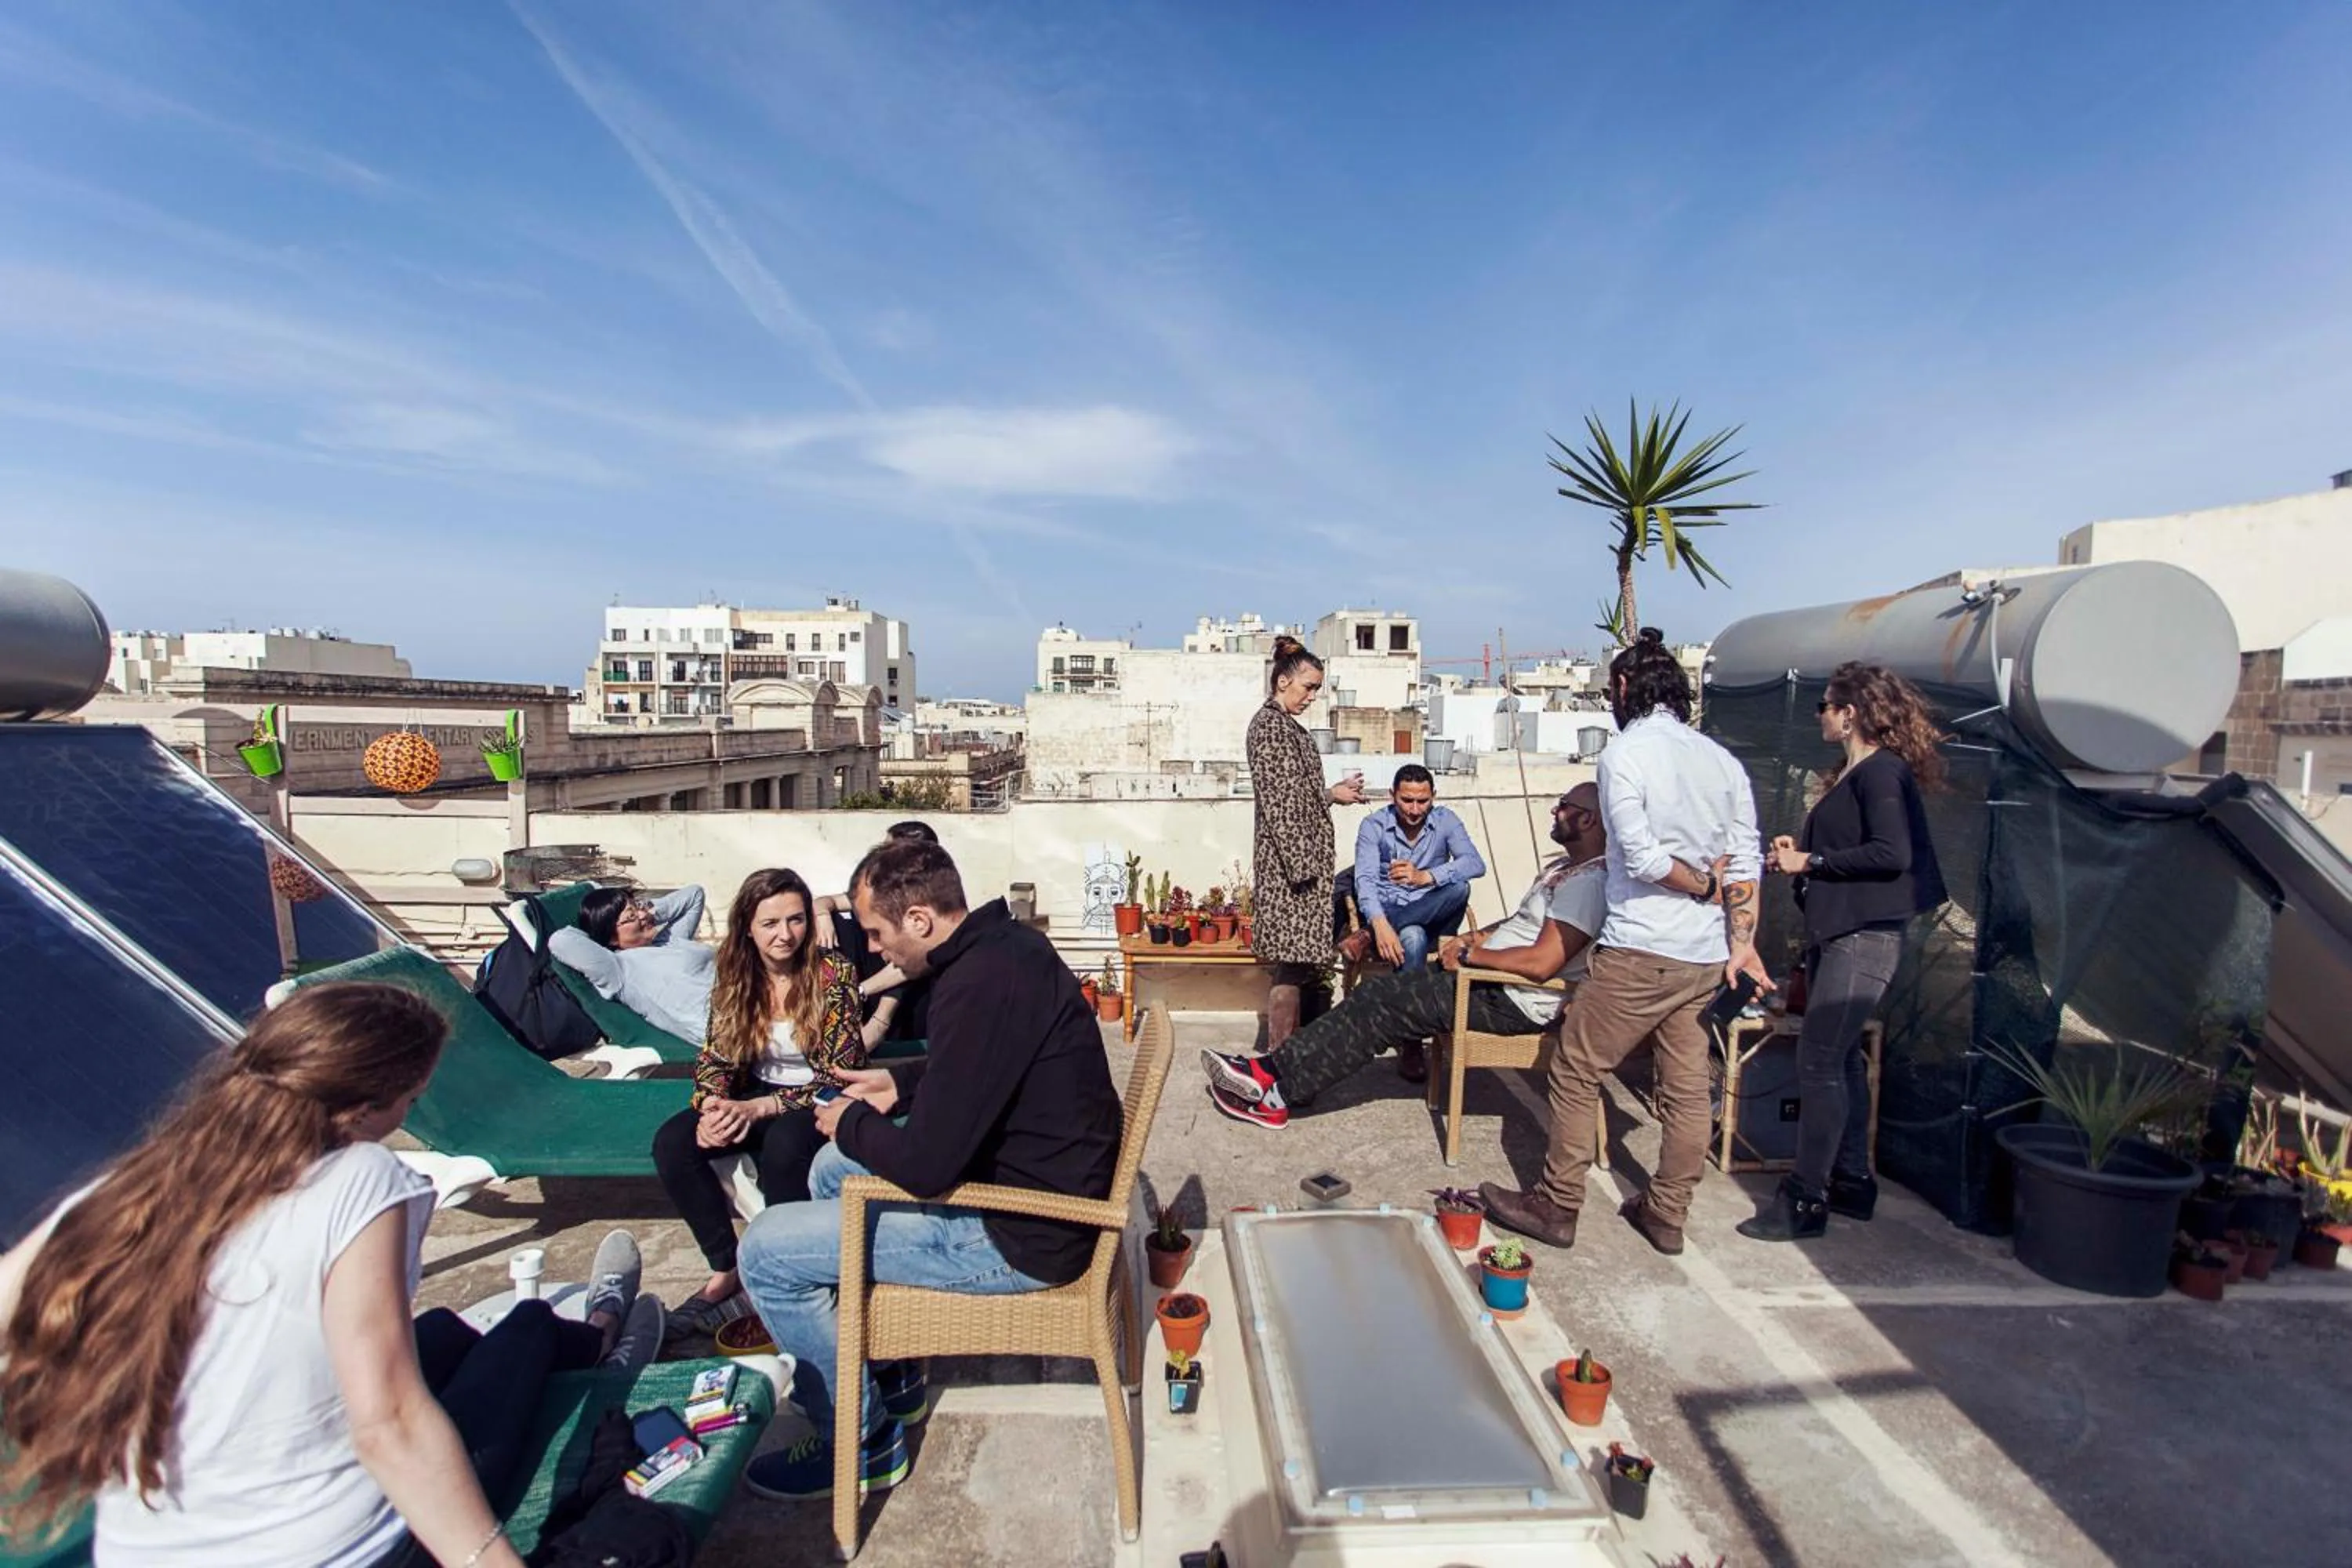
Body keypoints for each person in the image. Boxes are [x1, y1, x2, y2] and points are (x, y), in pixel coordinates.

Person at [0, 983, 660, 1568]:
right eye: (411, 1097)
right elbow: (388, 1422)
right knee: (523, 1329)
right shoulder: (362, 1178)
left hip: (141, 1553)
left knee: (441, 1332)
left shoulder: (133, 1185)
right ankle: (601, 1334)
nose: (406, 1116)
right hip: (339, 1548)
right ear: (368, 1103)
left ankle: (559, 1330)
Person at [731, 837, 1123, 1501]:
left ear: (919, 920)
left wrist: (849, 1118)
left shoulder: (973, 986)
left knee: (767, 1253)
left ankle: (860, 1440)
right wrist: (899, 1087)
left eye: (879, 934)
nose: (876, 951)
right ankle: (892, 1373)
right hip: (1028, 1191)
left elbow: (928, 1168)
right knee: (831, 1171)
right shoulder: (1007, 949)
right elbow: (986, 1069)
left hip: (1024, 1235)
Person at [1480, 629, 1767, 1256]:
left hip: (1644, 949)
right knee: (1688, 1088)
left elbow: (1636, 856)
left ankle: (1556, 1204)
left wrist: (1699, 887)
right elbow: (1747, 861)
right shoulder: (1722, 761)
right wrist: (1741, 940)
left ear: (1621, 688)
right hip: (1707, 958)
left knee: (1578, 1068)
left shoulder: (1627, 755)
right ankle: (1666, 1213)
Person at [1205, 783, 1607, 1129]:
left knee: (1384, 1011)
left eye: (1565, 804)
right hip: (1487, 982)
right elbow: (1520, 923)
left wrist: (1473, 955)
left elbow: (1543, 963)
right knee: (1373, 996)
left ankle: (1276, 1092)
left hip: (1509, 998)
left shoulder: (1589, 884)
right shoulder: (1565, 868)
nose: (1555, 810)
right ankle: (1269, 1072)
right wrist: (1478, 935)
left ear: (1588, 820)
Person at [1737, 662, 1947, 1243]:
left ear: (1850, 713)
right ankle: (1852, 1179)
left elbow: (1891, 853)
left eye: (1825, 705)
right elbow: (1858, 852)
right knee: (1844, 1059)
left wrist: (1813, 863)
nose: (1819, 714)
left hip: (1863, 937)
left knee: (1821, 1060)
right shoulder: (1858, 774)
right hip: (1844, 936)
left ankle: (1806, 1197)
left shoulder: (1881, 774)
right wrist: (1800, 855)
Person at [654, 869, 865, 1338]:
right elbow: (716, 1055)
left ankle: (784, 1268)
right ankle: (727, 1267)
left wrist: (761, 1110)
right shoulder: (734, 974)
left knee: (787, 1147)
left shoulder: (833, 975)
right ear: (748, 926)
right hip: (756, 1094)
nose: (784, 934)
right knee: (674, 1143)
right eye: (770, 923)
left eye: (795, 920)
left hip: (821, 1100)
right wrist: (711, 1106)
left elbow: (840, 1077)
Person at [1248, 634, 1368, 1052]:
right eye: (1308, 686)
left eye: (1317, 688)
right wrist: (1304, 873)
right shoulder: (1269, 728)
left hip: (1299, 868)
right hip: (1290, 872)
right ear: (1283, 682)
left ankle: (1284, 1059)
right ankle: (1281, 1062)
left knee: (1294, 966)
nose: (1313, 696)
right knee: (1290, 966)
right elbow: (1281, 803)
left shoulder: (1287, 728)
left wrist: (1332, 794)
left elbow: (1297, 794)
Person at [1335, 762, 1487, 1080]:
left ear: (1434, 796)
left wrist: (1426, 876)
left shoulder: (1446, 821)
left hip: (1438, 919)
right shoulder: (1374, 826)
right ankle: (1412, 1041)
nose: (1415, 809)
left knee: (1459, 887)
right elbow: (1364, 881)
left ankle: (1363, 937)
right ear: (1393, 796)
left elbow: (1475, 863)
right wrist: (1379, 923)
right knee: (1413, 936)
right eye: (1407, 800)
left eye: (1423, 801)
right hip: (1390, 924)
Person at [813, 821, 939, 1049]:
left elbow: (911, 967)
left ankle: (862, 1020)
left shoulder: (930, 904)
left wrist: (860, 994)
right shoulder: (879, 890)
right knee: (837, 925)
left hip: (905, 992)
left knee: (907, 961)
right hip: (870, 980)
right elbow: (827, 902)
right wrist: (822, 914)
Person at [550, 884, 715, 1044]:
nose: (642, 915)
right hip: (724, 1026)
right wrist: (596, 935)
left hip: (735, 996)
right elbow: (560, 941)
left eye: (638, 908)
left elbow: (694, 894)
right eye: (631, 917)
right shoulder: (618, 968)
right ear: (611, 936)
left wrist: (650, 914)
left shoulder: (667, 940)